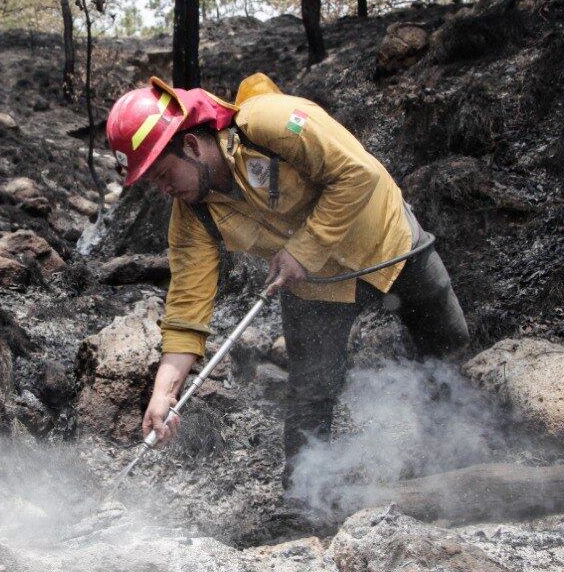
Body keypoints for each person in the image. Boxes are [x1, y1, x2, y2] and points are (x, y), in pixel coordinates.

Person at [104, 73, 469, 488]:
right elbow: (187, 311)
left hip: (390, 242)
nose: (165, 189)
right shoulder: (191, 217)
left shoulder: (271, 124)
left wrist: (303, 250)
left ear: (189, 145)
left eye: (164, 174)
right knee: (310, 400)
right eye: (152, 182)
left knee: (447, 345)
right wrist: (163, 392)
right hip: (314, 286)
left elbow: (358, 174)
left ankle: (460, 453)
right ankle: (306, 505)